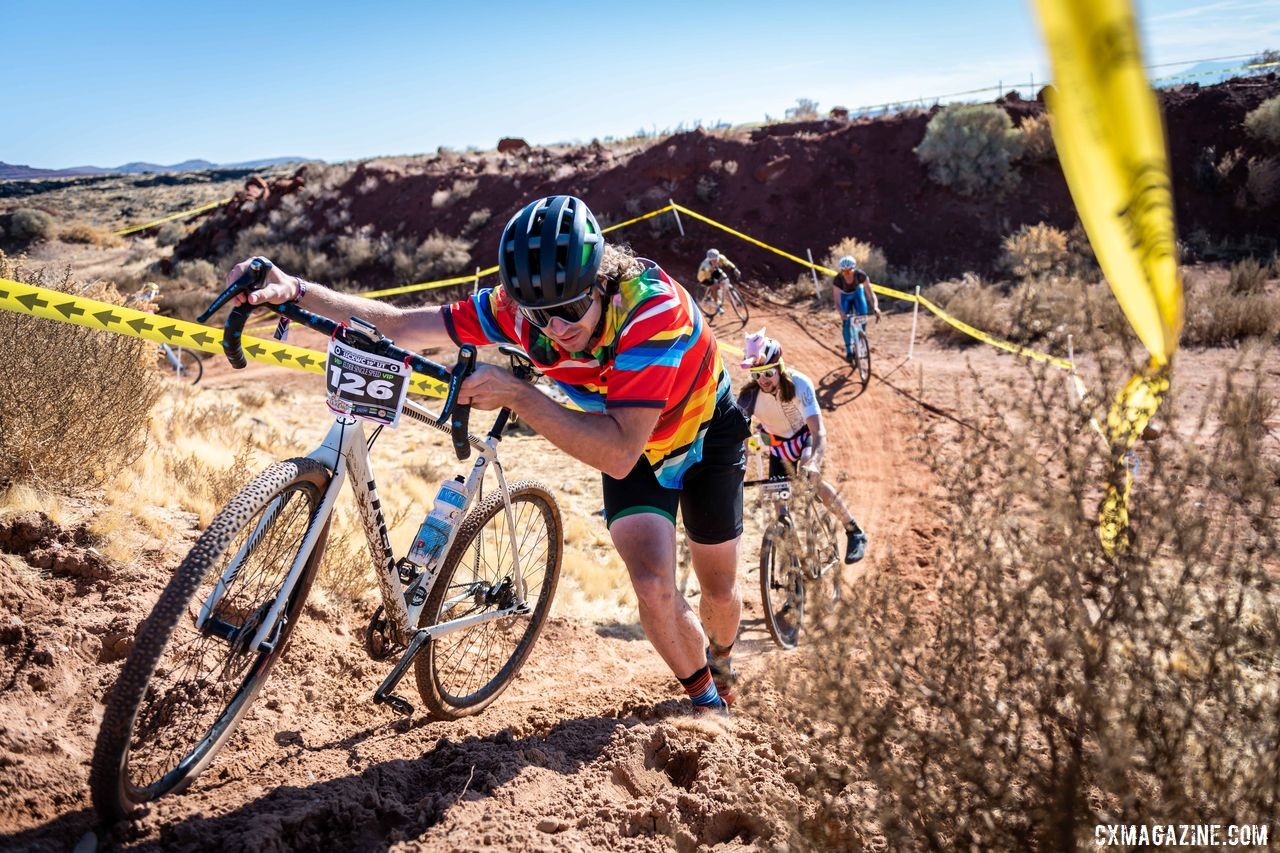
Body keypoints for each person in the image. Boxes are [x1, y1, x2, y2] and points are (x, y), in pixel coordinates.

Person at [228, 195, 749, 714]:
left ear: (602, 282)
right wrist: (296, 289)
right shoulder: (517, 311)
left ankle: (722, 655)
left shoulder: (651, 309)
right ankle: (707, 700)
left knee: (718, 592)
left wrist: (520, 394)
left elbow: (616, 452)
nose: (556, 329)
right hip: (632, 438)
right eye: (538, 316)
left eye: (569, 308)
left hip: (701, 431)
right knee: (653, 585)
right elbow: (403, 325)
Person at [736, 331, 868, 564]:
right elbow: (740, 439)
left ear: (779, 368)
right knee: (780, 508)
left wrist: (814, 462)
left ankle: (853, 529)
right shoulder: (749, 396)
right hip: (777, 446)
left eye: (768, 373)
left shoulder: (799, 384)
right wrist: (737, 471)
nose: (763, 380)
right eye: (757, 375)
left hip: (804, 438)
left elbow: (818, 432)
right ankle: (794, 572)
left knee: (811, 480)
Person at [831, 256, 881, 363]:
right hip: (845, 297)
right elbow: (837, 300)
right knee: (846, 322)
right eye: (844, 272)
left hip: (857, 294)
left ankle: (861, 337)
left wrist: (875, 307)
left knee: (863, 315)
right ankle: (849, 350)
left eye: (849, 271)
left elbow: (870, 293)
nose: (847, 274)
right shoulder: (838, 280)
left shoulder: (860, 275)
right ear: (841, 272)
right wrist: (842, 313)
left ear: (853, 269)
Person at [695, 248, 741, 316]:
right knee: (714, 286)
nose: (715, 261)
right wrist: (717, 284)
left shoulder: (721, 258)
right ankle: (717, 305)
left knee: (724, 278)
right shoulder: (705, 266)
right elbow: (710, 278)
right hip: (704, 277)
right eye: (713, 261)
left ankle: (721, 293)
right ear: (709, 260)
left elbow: (728, 263)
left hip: (713, 270)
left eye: (716, 259)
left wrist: (735, 269)